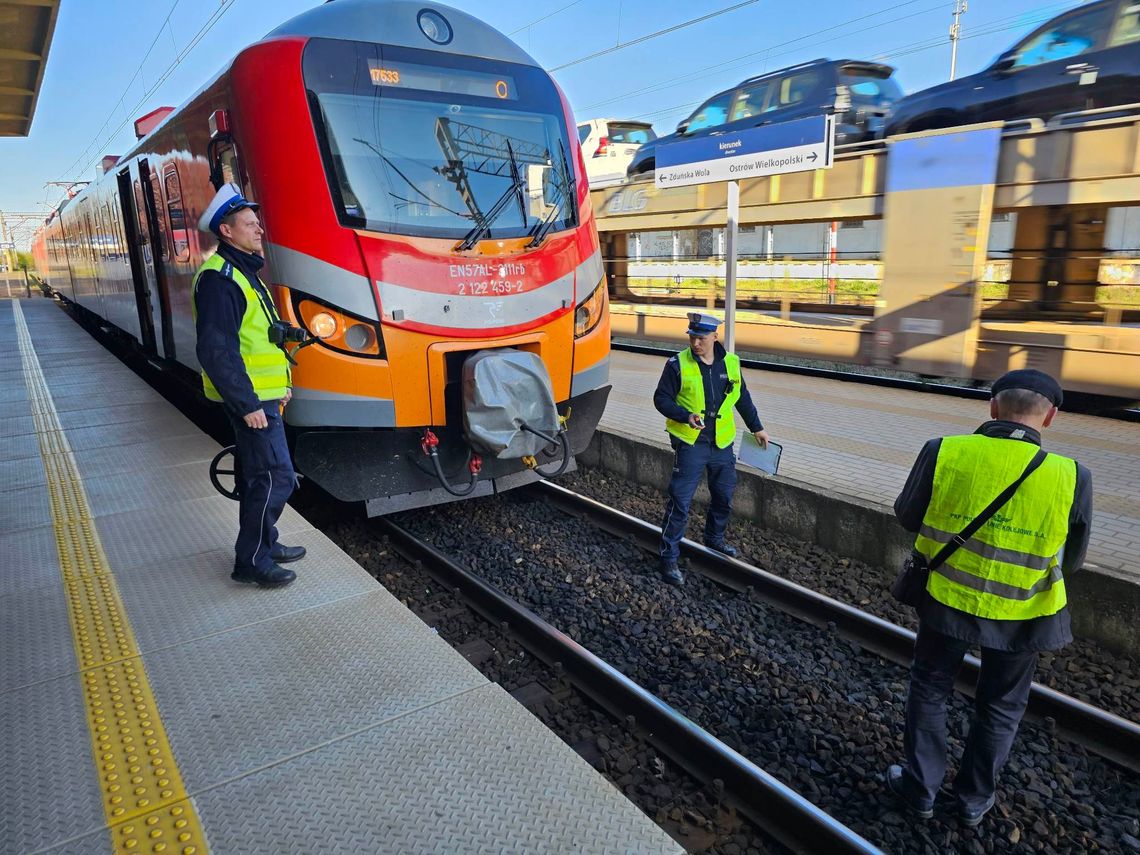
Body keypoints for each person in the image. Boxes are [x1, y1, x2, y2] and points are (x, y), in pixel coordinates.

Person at [887, 368, 1093, 826]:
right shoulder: (1072, 476)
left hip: (945, 600)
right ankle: (974, 800)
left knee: (931, 688)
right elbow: (1073, 561)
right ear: (1051, 417)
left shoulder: (944, 450)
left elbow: (907, 516)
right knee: (1001, 705)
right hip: (1024, 613)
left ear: (993, 407)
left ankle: (920, 791)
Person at [192, 182, 306, 588]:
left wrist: (281, 385)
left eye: (258, 223)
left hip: (264, 395)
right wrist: (248, 403)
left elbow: (260, 339)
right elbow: (217, 349)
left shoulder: (244, 272)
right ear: (227, 231)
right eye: (250, 224)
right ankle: (252, 561)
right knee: (275, 477)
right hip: (250, 400)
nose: (259, 230)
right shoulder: (221, 280)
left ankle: (267, 543)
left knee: (261, 474)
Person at [653, 312, 770, 586]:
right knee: (680, 501)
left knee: (724, 496)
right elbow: (661, 399)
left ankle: (714, 539)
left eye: (701, 338)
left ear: (715, 337)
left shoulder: (731, 363)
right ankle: (668, 558)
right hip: (692, 443)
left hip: (722, 444)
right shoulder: (676, 364)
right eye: (692, 337)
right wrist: (685, 415)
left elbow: (742, 397)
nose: (695, 343)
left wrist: (757, 427)